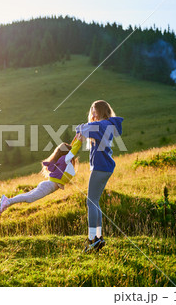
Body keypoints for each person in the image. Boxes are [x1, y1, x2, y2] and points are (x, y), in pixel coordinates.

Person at [75, 100, 123, 252]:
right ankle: (99, 238)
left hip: (100, 167)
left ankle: (91, 240)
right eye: (92, 111)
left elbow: (82, 128)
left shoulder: (101, 125)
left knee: (91, 203)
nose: (93, 114)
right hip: (105, 167)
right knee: (95, 202)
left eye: (94, 111)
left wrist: (80, 130)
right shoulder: (107, 124)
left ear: (101, 111)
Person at [0, 135, 82, 216]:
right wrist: (80, 140)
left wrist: (77, 138)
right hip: (49, 186)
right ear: (66, 153)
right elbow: (73, 150)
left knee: (28, 196)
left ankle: (6, 203)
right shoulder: (64, 159)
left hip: (48, 184)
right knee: (29, 198)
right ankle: (7, 202)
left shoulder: (63, 160)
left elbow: (71, 149)